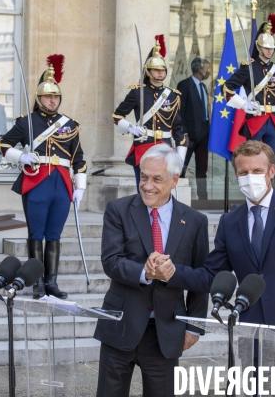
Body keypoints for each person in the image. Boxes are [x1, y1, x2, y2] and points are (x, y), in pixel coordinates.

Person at [152, 141, 275, 396]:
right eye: (243, 172)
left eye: (257, 171)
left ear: (271, 171)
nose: (250, 178)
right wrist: (173, 272)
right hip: (254, 339)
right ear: (236, 175)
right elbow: (211, 275)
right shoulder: (230, 222)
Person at [93, 143, 209, 397]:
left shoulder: (195, 221)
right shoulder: (118, 210)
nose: (147, 185)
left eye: (157, 179)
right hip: (120, 326)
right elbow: (111, 261)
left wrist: (194, 327)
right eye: (143, 177)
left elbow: (201, 279)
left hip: (165, 333)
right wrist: (144, 272)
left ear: (174, 180)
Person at [0, 54, 86, 300]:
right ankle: (35, 282)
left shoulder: (70, 125)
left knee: (54, 235)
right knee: (36, 234)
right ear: (39, 98)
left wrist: (81, 188)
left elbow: (78, 159)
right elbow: (2, 145)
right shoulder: (27, 122)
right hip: (37, 182)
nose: (52, 100)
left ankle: (52, 282)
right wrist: (20, 156)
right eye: (48, 96)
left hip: (62, 184)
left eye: (56, 96)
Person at [112, 35, 186, 189]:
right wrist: (131, 127)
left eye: (162, 70)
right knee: (145, 187)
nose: (160, 73)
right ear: (148, 71)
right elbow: (117, 115)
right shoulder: (137, 92)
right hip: (143, 144)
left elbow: (178, 128)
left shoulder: (173, 95)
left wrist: (180, 158)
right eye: (156, 70)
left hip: (165, 146)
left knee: (163, 188)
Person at [223, 15, 275, 168]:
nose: (269, 51)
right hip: (255, 119)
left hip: (273, 120)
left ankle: (268, 189)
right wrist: (244, 104)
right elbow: (227, 87)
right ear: (259, 47)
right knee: (252, 158)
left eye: (272, 48)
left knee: (270, 161)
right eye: (266, 48)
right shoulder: (249, 68)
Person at [177, 58, 210, 200]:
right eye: (207, 68)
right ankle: (179, 196)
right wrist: (183, 133)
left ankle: (203, 199)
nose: (209, 71)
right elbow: (180, 111)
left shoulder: (203, 87)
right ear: (200, 70)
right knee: (182, 166)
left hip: (204, 132)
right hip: (189, 134)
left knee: (202, 168)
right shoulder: (184, 85)